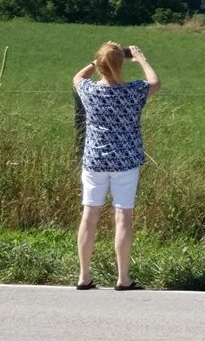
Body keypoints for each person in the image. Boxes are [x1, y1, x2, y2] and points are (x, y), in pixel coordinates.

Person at [72, 41, 160, 291]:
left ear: (100, 65)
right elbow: (155, 82)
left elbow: (77, 78)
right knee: (123, 217)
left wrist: (100, 59)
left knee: (89, 216)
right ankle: (123, 278)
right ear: (121, 64)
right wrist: (140, 58)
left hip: (95, 161)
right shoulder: (133, 91)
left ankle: (84, 276)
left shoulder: (89, 91)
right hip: (125, 162)